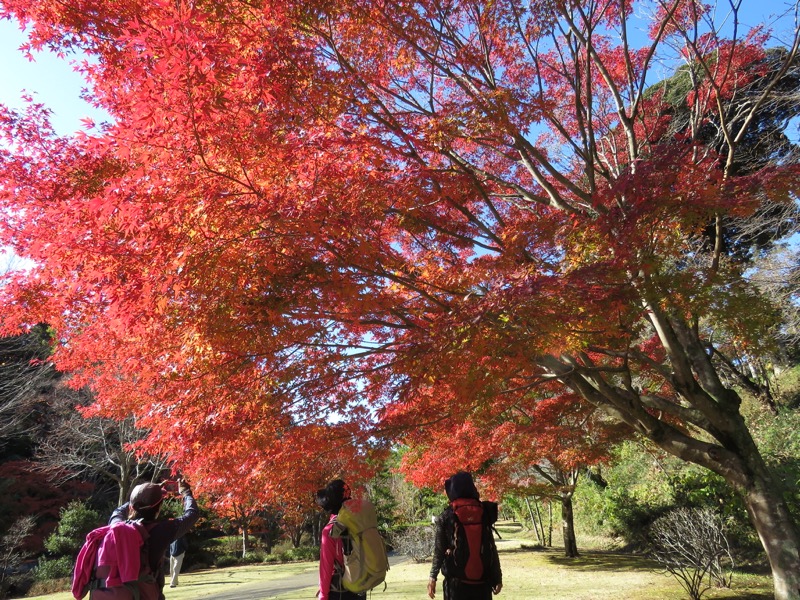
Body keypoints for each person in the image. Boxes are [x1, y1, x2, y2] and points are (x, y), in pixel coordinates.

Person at [97, 477, 199, 600]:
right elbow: (192, 514)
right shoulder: (162, 531)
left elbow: (117, 511)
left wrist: (143, 494)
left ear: (132, 506)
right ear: (159, 508)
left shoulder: (116, 527)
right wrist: (186, 492)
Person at [428, 472, 502, 600]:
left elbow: (439, 550)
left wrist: (432, 576)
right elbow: (491, 547)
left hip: (456, 586)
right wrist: (497, 578)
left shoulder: (447, 516)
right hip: (483, 584)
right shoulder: (483, 512)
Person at [315, 479, 365, 600]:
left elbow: (326, 568)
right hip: (359, 589)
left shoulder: (330, 530)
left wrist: (323, 595)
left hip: (338, 592)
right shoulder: (359, 523)